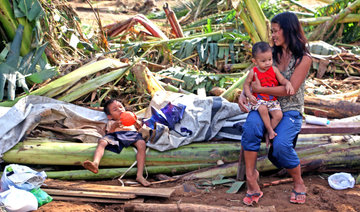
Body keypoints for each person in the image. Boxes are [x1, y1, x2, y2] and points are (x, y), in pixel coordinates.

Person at [238, 12, 312, 205]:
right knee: (250, 129)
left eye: (276, 31)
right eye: (272, 31)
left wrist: (259, 89)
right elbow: (251, 77)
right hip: (263, 104)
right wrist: (243, 93)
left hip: (290, 110)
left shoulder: (303, 59)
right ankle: (251, 179)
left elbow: (290, 90)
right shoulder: (270, 53)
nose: (273, 35)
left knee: (280, 146)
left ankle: (298, 182)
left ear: (288, 30)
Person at [82, 99, 150, 187]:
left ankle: (139, 175)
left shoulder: (132, 120)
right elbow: (109, 134)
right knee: (102, 142)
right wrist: (114, 127)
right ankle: (95, 163)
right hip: (115, 135)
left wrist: (135, 122)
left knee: (141, 144)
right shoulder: (111, 122)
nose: (120, 110)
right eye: (115, 110)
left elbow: (141, 131)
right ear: (110, 116)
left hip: (131, 135)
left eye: (121, 107)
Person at [243, 41, 294, 145]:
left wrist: (288, 83)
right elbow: (246, 85)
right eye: (263, 61)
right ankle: (270, 130)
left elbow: (282, 80)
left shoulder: (274, 70)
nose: (267, 63)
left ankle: (267, 132)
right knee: (262, 109)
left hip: (272, 100)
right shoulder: (253, 72)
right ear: (255, 61)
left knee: (279, 115)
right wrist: (248, 95)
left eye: (270, 59)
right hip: (258, 100)